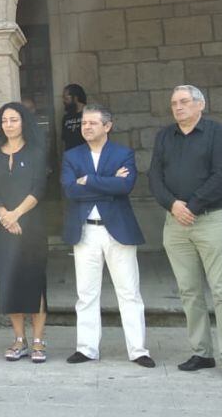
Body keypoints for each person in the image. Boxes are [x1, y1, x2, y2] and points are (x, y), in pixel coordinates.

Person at [149, 85, 222, 381]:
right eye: (174, 103)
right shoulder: (164, 136)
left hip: (211, 218)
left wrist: (193, 205)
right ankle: (202, 352)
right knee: (189, 290)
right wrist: (173, 205)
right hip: (175, 221)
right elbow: (154, 176)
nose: (178, 107)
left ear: (201, 104)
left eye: (185, 102)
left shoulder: (218, 133)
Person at [60, 105, 154, 368]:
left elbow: (125, 186)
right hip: (85, 231)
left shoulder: (123, 153)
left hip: (118, 230)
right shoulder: (72, 155)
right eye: (83, 123)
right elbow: (69, 191)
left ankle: (138, 350)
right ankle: (87, 348)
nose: (86, 127)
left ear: (107, 126)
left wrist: (87, 180)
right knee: (86, 293)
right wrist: (106, 182)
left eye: (92, 123)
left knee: (129, 292)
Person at [0, 102, 49, 363]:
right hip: (3, 228)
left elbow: (38, 188)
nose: (8, 125)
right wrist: (3, 214)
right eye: (4, 121)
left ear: (24, 122)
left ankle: (38, 341)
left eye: (14, 120)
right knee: (9, 282)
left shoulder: (36, 151)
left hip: (31, 226)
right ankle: (19, 339)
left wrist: (16, 214)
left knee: (34, 282)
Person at [61, 84, 86, 151]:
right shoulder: (66, 118)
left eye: (66, 98)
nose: (64, 101)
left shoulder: (91, 115)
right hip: (71, 157)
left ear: (75, 98)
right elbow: (64, 141)